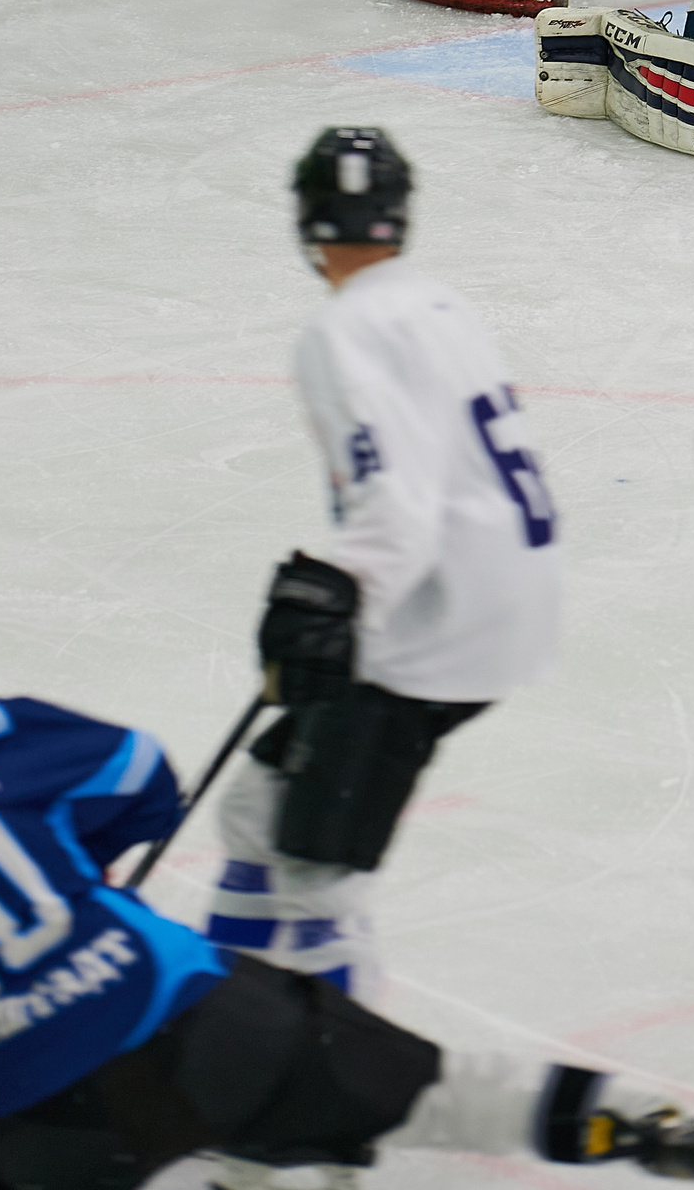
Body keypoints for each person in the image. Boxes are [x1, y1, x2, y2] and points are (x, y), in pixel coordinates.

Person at [0, 648, 694, 1190]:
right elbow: (150, 784)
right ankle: (647, 1124)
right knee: (439, 1097)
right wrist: (73, 871)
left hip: (58, 1125)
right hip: (210, 1026)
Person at [202, 126, 562, 999]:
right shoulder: (435, 304)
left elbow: (397, 502)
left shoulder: (344, 332)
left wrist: (331, 598)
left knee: (317, 864)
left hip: (434, 630)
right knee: (256, 811)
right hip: (498, 601)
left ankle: (320, 1077)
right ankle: (215, 1028)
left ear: (307, 219)